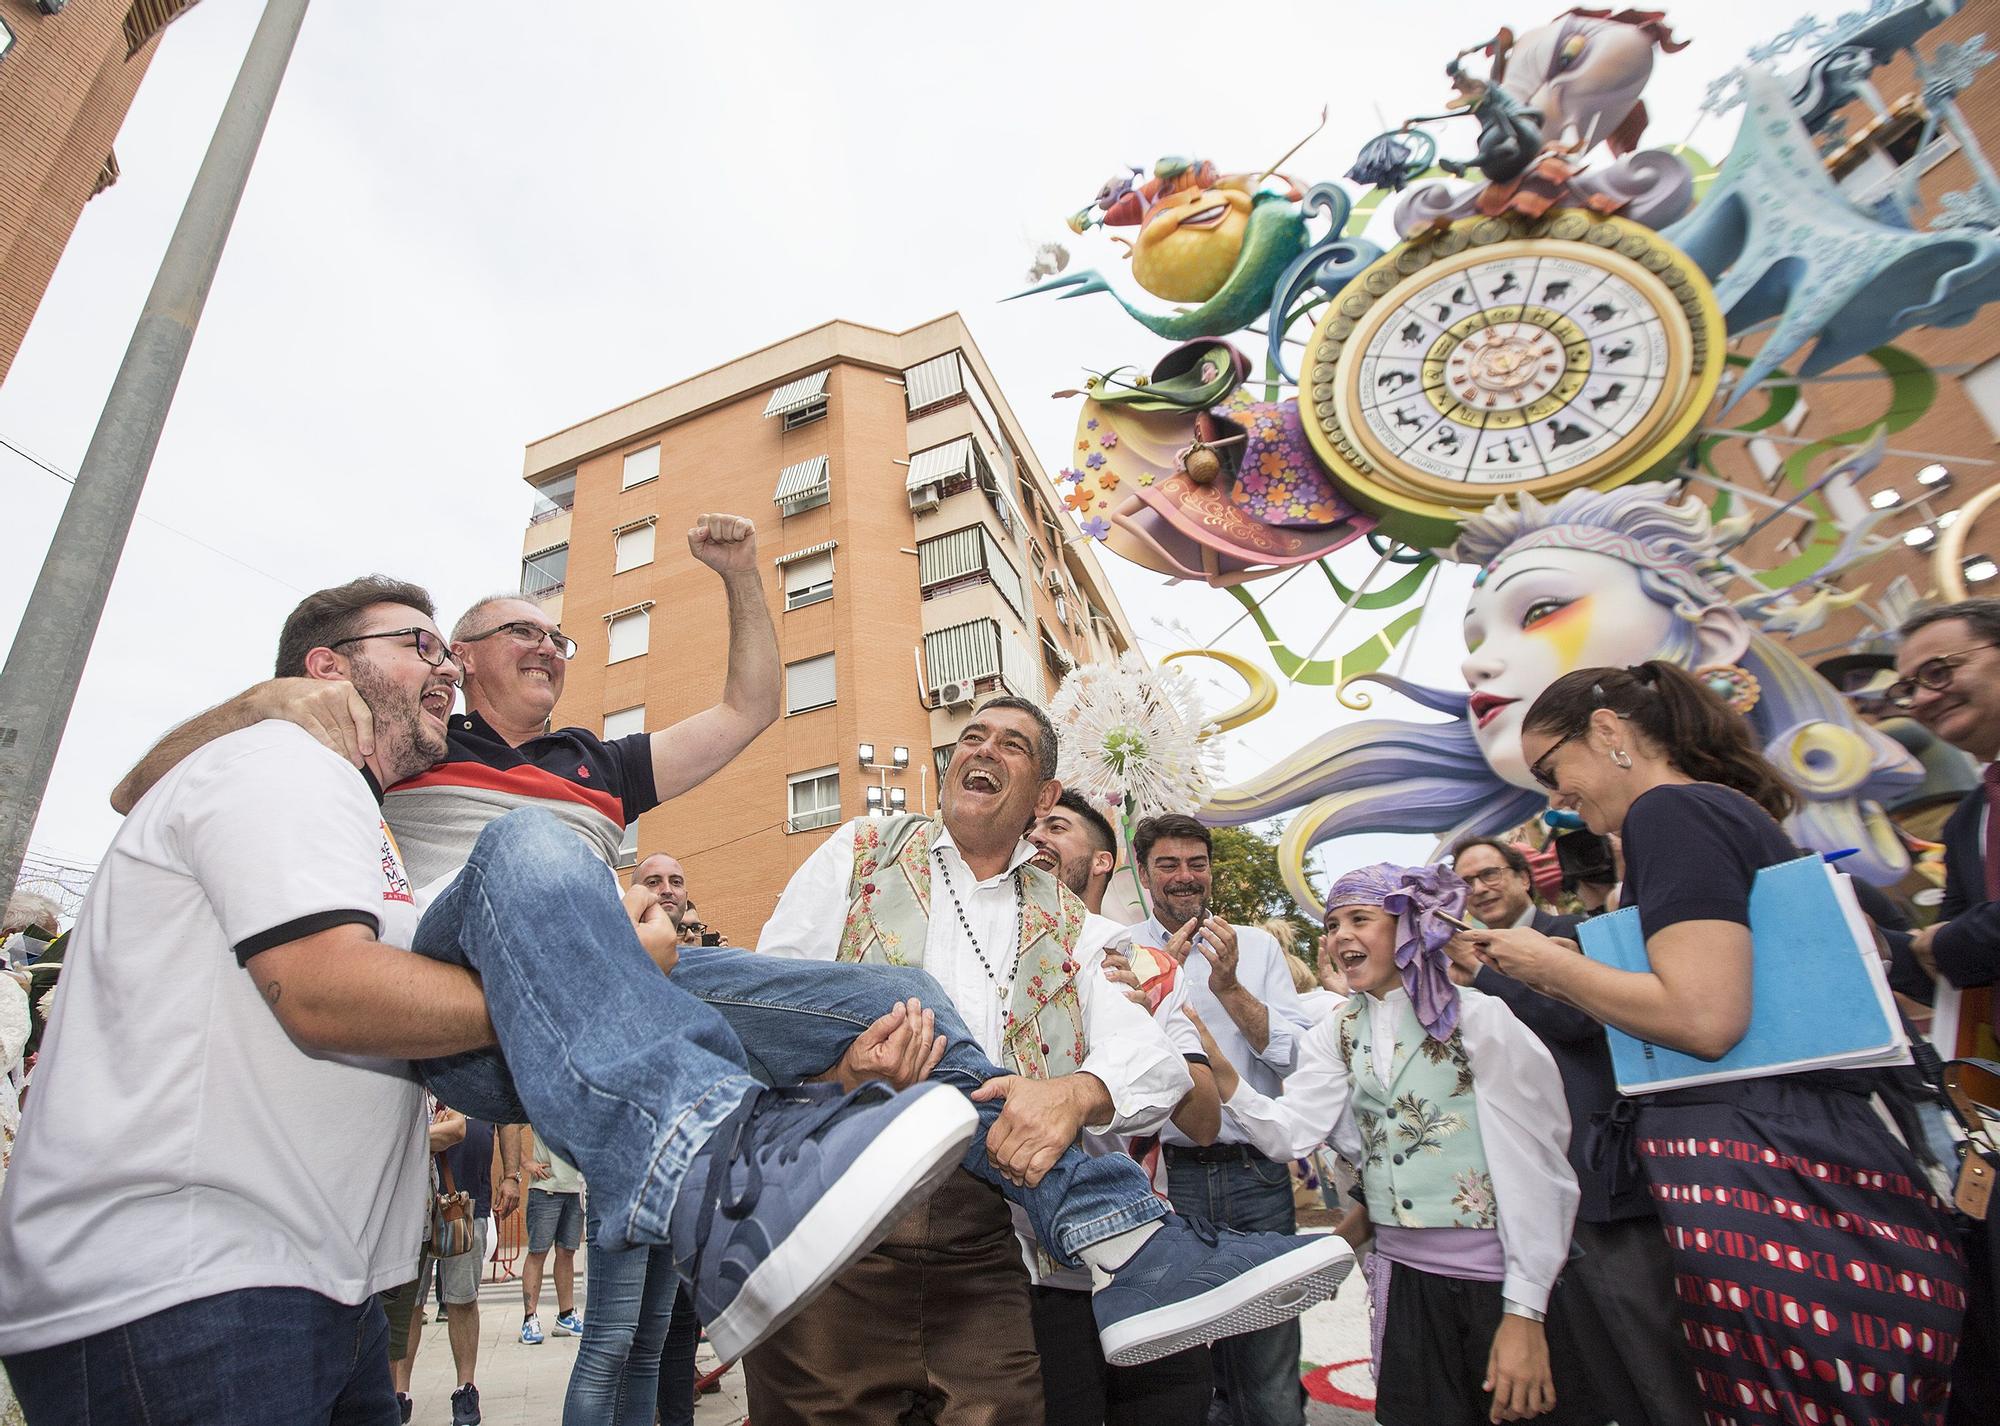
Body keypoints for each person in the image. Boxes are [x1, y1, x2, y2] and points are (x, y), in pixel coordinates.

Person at [0, 576, 986, 1424]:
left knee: (894, 998)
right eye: (419, 643)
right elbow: (316, 985)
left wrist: (619, 982)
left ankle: (1050, 1176)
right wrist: (601, 975)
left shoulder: (383, 828)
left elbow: (406, 993)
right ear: (325, 668)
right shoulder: (278, 760)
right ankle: (709, 1163)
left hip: (325, 1279)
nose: (440, 664)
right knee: (532, 846)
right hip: (183, 1281)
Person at [750, 700, 1352, 1425]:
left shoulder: (1083, 931)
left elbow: (1158, 1063)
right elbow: (772, 1002)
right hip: (831, 1228)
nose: (983, 748)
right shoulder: (859, 851)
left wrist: (1080, 1091)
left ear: (1041, 798)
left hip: (985, 1250)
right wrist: (840, 1076)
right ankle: (1130, 1244)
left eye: (1012, 744)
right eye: (971, 737)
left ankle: (1133, 1246)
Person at [1475, 660, 1967, 1424]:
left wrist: (1548, 966)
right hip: (1786, 1156)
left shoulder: (1667, 814)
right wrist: (1571, 971)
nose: (1555, 797)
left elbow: (1704, 1018)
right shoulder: (1708, 812)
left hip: (1768, 1171)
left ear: (1607, 732)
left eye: (1551, 769)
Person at [1215, 861, 1592, 1426]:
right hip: (1405, 1284)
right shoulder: (1336, 1030)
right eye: (1333, 923)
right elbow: (1291, 1132)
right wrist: (1218, 1072)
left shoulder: (1480, 1018)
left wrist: (1526, 1310)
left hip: (1499, 1287)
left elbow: (1540, 1162)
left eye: (1359, 919)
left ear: (1410, 926)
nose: (1341, 935)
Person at [1446, 836, 1697, 1426]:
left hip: (1599, 1173)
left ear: (1523, 877)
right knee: (1588, 1360)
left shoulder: (1579, 934)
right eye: (1467, 882)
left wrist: (1488, 976)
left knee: (1649, 1349)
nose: (1479, 889)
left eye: (1489, 874)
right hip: (1530, 1182)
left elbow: (1582, 1022)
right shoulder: (1463, 965)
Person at [1027, 789, 1222, 1426]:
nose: (1036, 837)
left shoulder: (1149, 965)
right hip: (1028, 1275)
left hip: (1144, 1264)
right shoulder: (993, 957)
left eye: (1055, 825)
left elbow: (1204, 1120)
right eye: (1031, 827)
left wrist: (1146, 1030)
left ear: (1105, 861)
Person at [1125, 812, 1319, 1426]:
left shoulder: (1257, 947)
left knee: (1267, 1370)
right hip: (1166, 1183)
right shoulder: (1121, 948)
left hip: (1254, 1177)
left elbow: (1288, 1054)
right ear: (1144, 873)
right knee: (1181, 1371)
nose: (1186, 878)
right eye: (1169, 865)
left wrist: (1230, 986)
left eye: (1197, 864)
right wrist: (1165, 976)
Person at [1892, 599, 2000, 1426]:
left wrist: (1940, 945)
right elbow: (1955, 974)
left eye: (1941, 672)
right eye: (1910, 688)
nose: (1926, 697)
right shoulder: (1971, 816)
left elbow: (1965, 941)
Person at [519, 1124, 585, 1345]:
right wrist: (526, 1163)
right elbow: (509, 1126)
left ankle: (566, 1315)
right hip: (545, 1187)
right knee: (537, 1253)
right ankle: (530, 1318)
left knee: (567, 1252)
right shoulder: (541, 1096)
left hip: (576, 1189)